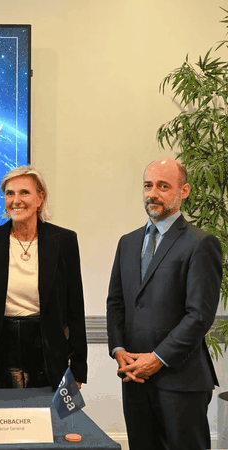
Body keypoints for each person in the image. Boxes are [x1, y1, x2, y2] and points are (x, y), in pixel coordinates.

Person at [106, 158, 221, 450]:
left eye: (163, 186)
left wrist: (156, 358)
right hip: (134, 378)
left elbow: (199, 316)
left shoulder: (201, 243)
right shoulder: (127, 242)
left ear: (184, 191)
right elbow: (116, 303)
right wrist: (119, 350)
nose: (152, 193)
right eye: (148, 185)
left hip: (180, 381)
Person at [0, 166, 86, 390]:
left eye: (24, 193)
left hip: (49, 353)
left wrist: (78, 367)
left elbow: (75, 309)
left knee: (52, 421)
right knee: (2, 421)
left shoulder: (64, 241)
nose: (16, 200)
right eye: (10, 193)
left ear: (40, 198)